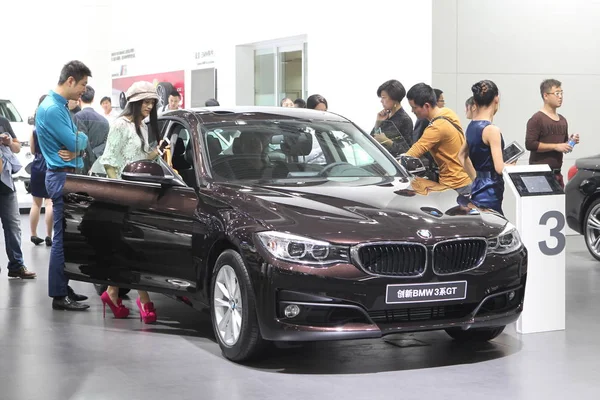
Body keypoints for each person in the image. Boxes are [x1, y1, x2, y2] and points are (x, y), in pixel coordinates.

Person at [96, 81, 164, 323]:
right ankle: (143, 299)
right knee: (133, 248)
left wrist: (155, 153)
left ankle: (113, 293)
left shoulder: (142, 126)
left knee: (130, 248)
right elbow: (109, 161)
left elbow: (140, 156)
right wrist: (120, 194)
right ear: (134, 102)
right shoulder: (119, 125)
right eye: (145, 102)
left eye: (152, 102)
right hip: (124, 196)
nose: (149, 106)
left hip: (140, 192)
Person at [35, 60, 91, 311]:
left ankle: (63, 287)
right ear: (70, 80)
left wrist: (77, 151)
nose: (83, 90)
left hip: (63, 174)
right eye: (82, 84)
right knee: (60, 238)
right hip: (60, 176)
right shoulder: (53, 109)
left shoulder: (57, 106)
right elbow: (76, 141)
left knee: (65, 236)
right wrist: (79, 147)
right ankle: (58, 294)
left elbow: (77, 146)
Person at [405, 83, 472, 195]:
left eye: (414, 107)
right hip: (465, 180)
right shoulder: (448, 112)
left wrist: (390, 167)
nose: (412, 111)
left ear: (426, 106)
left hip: (454, 186)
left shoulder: (436, 128)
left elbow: (412, 153)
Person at [459, 80, 509, 214]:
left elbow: (461, 156)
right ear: (496, 99)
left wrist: (476, 178)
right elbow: (499, 168)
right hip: (491, 190)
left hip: (478, 187)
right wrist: (513, 167)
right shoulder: (491, 130)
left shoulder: (471, 127)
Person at [0, 115, 37, 279]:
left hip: (6, 184)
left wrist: (8, 142)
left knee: (13, 226)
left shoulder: (3, 121)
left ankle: (16, 265)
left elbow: (17, 147)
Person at [525, 79, 579, 188]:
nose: (560, 97)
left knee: (559, 205)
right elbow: (530, 144)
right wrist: (556, 147)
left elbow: (561, 145)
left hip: (557, 174)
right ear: (546, 96)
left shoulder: (563, 120)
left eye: (561, 93)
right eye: (557, 93)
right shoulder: (537, 119)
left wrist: (570, 142)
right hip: (540, 175)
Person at [29, 95, 53, 246]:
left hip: (37, 165)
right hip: (51, 166)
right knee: (50, 203)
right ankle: (49, 235)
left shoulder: (35, 130)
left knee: (36, 203)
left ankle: (33, 234)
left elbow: (32, 150)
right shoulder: (54, 129)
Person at [73, 85, 110, 174]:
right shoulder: (104, 120)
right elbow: (106, 143)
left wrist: (90, 159)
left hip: (82, 166)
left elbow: (82, 142)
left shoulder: (78, 117)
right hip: (99, 166)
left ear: (79, 99)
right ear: (93, 99)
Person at [372, 79, 414, 156]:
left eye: (384, 97)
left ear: (394, 98)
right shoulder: (385, 116)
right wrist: (378, 122)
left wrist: (386, 141)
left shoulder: (405, 119)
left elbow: (408, 151)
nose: (381, 101)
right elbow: (371, 139)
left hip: (394, 164)